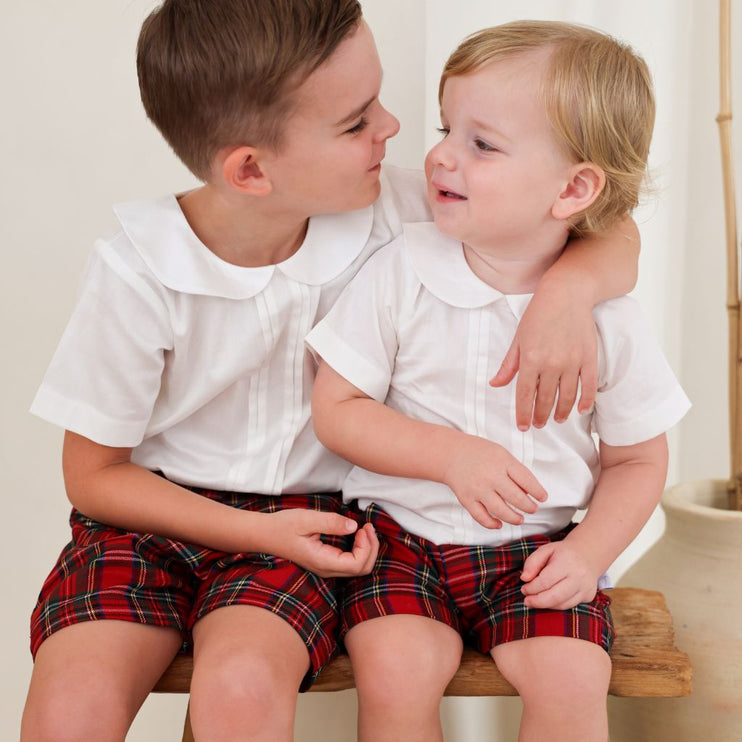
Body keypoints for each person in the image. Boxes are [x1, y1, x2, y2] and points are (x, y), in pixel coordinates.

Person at [21, 3, 640, 741]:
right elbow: (94, 477)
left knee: (241, 690)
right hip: (146, 524)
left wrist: (569, 293)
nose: (393, 128)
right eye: (356, 122)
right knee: (71, 706)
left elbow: (606, 222)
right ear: (251, 169)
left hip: (308, 527)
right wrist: (252, 531)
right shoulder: (138, 269)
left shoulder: (397, 203)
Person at [309, 19, 691, 742]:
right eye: (446, 127)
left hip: (538, 550)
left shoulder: (607, 316)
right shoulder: (402, 268)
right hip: (400, 542)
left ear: (574, 188)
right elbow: (337, 407)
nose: (440, 157)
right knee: (395, 673)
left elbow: (639, 459)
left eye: (481, 144)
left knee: (575, 681)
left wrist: (588, 555)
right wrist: (449, 456)